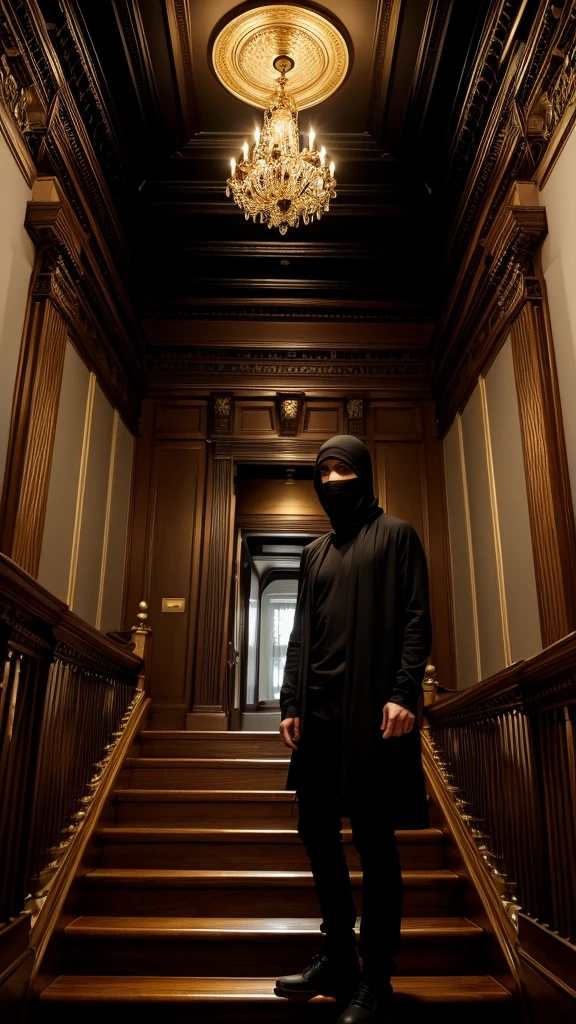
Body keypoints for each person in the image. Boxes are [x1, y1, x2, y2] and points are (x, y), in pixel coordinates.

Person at [275, 435, 431, 1024]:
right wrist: (290, 701)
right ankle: (338, 954)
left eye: (343, 469)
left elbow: (417, 618)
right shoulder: (313, 553)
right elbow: (297, 636)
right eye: (325, 472)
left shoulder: (397, 535)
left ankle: (377, 975)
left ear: (363, 474)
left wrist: (404, 692)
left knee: (374, 842)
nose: (333, 480)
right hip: (317, 719)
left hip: (376, 717)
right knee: (317, 832)